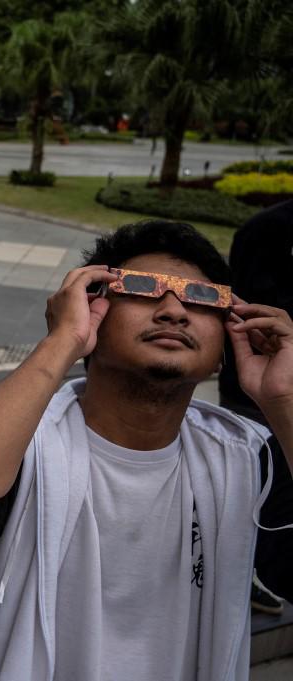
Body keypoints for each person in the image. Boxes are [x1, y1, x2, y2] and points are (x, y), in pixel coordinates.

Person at [0, 221, 293, 680]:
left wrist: (285, 401)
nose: (174, 310)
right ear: (92, 310)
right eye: (143, 289)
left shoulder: (245, 458)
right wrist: (61, 343)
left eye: (201, 297)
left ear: (227, 341)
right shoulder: (30, 434)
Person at [219, 199, 293, 615]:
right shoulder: (267, 229)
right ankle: (243, 573)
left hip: (278, 388)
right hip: (255, 392)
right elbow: (251, 308)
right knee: (255, 490)